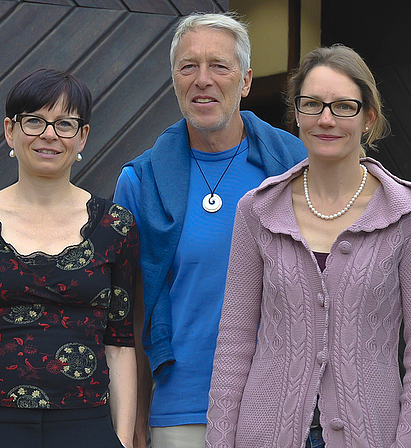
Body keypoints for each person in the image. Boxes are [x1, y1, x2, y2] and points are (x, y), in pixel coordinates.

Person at [205, 44, 411, 448]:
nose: (326, 119)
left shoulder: (410, 213)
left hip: (373, 435)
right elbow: (234, 339)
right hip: (264, 434)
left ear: (369, 117)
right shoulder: (258, 210)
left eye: (343, 106)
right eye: (312, 104)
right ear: (296, 113)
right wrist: (219, 440)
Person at [113, 12, 306, 448]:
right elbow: (131, 310)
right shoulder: (141, 182)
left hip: (277, 407)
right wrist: (135, 416)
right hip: (179, 410)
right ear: (174, 80)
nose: (203, 79)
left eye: (219, 66)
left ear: (246, 81)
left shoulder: (293, 168)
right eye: (188, 66)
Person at [0, 68, 139, 448]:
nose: (49, 134)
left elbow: (120, 343)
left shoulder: (116, 226)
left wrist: (124, 440)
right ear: (10, 130)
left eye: (65, 123)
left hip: (86, 424)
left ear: (83, 137)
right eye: (35, 121)